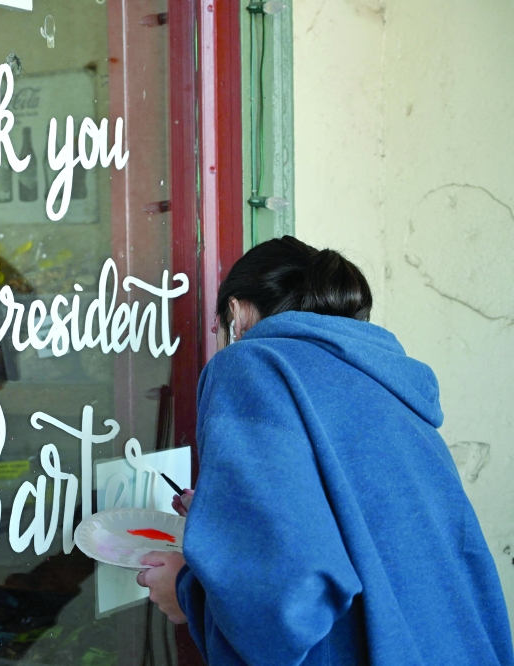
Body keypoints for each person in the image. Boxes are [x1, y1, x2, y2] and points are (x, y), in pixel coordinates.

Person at [135, 236, 513, 665]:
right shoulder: (386, 380)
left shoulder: (252, 364)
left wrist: (188, 593)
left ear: (237, 315)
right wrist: (230, 521)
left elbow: (284, 604)